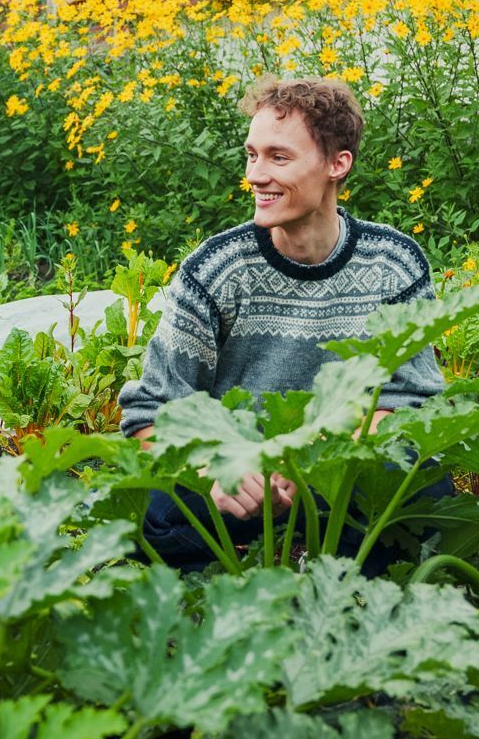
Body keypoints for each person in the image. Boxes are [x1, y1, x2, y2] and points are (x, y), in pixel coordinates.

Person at [118, 75, 445, 565]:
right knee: (149, 514)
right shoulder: (216, 269)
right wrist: (216, 468)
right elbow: (151, 411)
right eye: (252, 154)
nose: (255, 175)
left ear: (338, 164)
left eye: (278, 157)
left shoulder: (392, 263)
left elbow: (413, 403)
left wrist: (316, 454)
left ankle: (338, 583)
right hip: (240, 482)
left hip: (340, 473)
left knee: (426, 486)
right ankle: (240, 574)